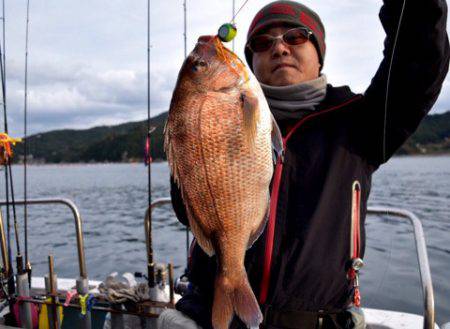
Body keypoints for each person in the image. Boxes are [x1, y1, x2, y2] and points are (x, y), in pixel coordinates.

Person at [158, 0, 450, 328]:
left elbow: (418, 58)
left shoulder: (360, 123)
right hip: (208, 315)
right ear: (251, 59)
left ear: (319, 51)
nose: (280, 48)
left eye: (296, 37)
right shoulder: (221, 113)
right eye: (263, 43)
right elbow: (187, 208)